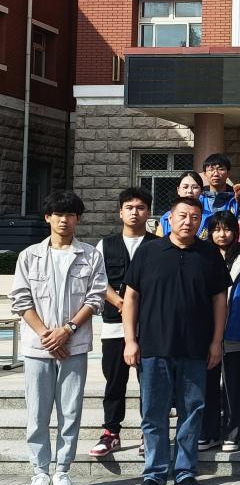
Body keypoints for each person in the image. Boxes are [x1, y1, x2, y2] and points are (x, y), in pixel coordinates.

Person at [122, 196, 232, 485]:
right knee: (153, 413)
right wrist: (130, 340)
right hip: (153, 347)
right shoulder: (149, 251)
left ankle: (185, 471)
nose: (188, 221)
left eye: (195, 217)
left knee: (192, 411)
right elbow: (131, 297)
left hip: (195, 348)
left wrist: (216, 341)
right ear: (169, 218)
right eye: (182, 215)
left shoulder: (209, 254)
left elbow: (219, 300)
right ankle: (155, 474)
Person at [12, 191, 107, 485]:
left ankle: (63, 470)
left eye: (69, 214)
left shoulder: (90, 255)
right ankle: (40, 472)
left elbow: (96, 298)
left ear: (78, 219)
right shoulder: (29, 256)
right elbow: (21, 300)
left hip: (74, 345)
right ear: (47, 217)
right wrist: (47, 335)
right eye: (57, 214)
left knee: (70, 411)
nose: (63, 220)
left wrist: (67, 330)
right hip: (38, 346)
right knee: (37, 412)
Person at [90, 188, 157, 459]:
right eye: (129, 207)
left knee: (150, 382)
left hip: (150, 326)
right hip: (113, 325)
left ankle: (148, 433)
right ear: (120, 212)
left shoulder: (158, 245)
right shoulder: (105, 245)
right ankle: (111, 432)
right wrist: (121, 303)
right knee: (114, 381)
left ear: (148, 212)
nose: (134, 212)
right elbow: (98, 280)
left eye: (140, 207)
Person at [201, 211, 240, 453]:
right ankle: (208, 432)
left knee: (233, 385)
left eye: (227, 229)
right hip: (206, 330)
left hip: (235, 329)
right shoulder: (202, 255)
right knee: (208, 384)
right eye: (217, 229)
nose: (222, 234)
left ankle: (232, 433)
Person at [155, 171, 211, 239]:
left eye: (195, 187)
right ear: (178, 190)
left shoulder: (210, 217)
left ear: (201, 191)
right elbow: (159, 242)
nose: (190, 191)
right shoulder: (166, 218)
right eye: (185, 187)